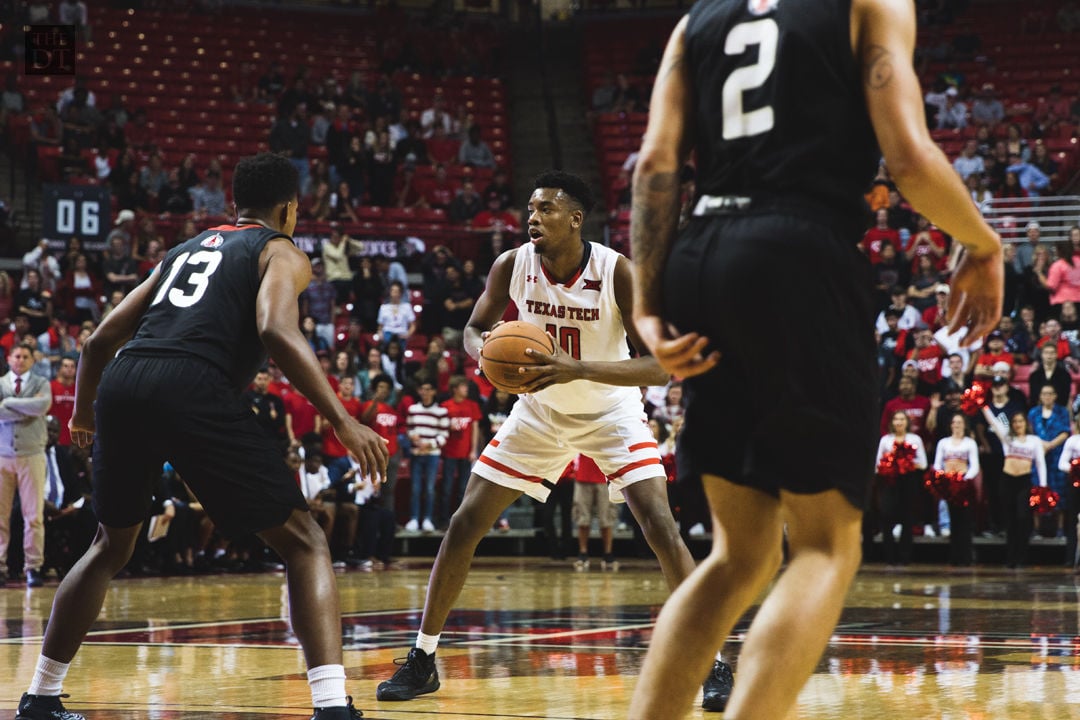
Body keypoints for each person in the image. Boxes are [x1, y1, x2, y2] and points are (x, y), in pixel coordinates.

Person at [624, 0, 1003, 716]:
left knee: (739, 557)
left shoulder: (696, 21)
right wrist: (983, 242)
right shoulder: (870, 3)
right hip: (796, 251)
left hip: (702, 254)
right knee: (827, 546)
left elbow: (655, 165)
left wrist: (645, 303)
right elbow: (910, 158)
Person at [14, 153, 386, 720]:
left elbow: (97, 343)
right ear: (289, 208)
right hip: (190, 382)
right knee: (305, 540)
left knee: (109, 546)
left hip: (124, 381)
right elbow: (275, 329)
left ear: (236, 202)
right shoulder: (279, 249)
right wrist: (341, 418)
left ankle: (40, 696)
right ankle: (333, 706)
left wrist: (83, 416)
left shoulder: (183, 250)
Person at [376, 170, 734, 712]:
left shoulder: (617, 273)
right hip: (539, 411)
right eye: (530, 209)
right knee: (465, 521)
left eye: (546, 209)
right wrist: (488, 351)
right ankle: (423, 659)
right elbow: (474, 328)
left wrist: (577, 368)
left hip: (612, 413)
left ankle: (714, 662)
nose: (533, 218)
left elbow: (660, 368)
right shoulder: (511, 264)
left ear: (575, 217)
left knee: (661, 527)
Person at [0, 344, 53, 588]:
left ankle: (33, 566)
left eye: (25, 356)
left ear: (32, 360)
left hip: (32, 454)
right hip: (3, 454)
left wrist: (9, 403)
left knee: (33, 516)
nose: (20, 360)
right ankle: (0, 566)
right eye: (17, 355)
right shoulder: (2, 383)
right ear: (9, 358)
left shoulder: (42, 382)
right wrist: (26, 408)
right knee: (0, 517)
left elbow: (42, 406)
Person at [982, 407, 1047, 568]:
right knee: (1010, 520)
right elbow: (994, 422)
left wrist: (1043, 486)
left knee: (1023, 517)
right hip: (1007, 480)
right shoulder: (1008, 439)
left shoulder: (1034, 441)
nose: (1018, 424)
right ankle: (1010, 558)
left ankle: (1022, 557)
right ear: (1012, 424)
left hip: (1024, 481)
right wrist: (983, 405)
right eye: (1015, 421)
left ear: (1026, 423)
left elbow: (1040, 463)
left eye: (1021, 421)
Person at [932, 413, 980, 565]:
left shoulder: (970, 443)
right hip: (947, 485)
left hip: (963, 485)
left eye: (960, 422)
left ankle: (965, 556)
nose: (957, 425)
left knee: (964, 520)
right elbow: (937, 464)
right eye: (955, 422)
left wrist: (964, 480)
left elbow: (975, 465)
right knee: (951, 520)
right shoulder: (943, 443)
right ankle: (953, 557)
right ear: (951, 425)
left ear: (964, 425)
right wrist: (942, 478)